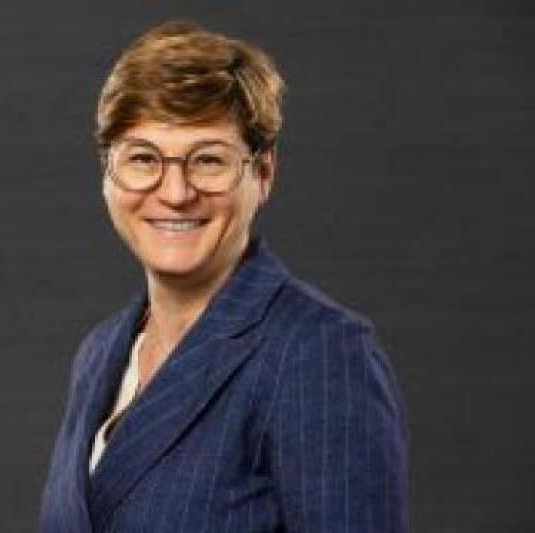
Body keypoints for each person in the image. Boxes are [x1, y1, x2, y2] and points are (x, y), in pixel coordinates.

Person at [40, 20, 408, 532]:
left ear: (264, 172)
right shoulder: (100, 354)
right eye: (143, 158)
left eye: (208, 160)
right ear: (108, 171)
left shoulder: (319, 353)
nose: (175, 193)